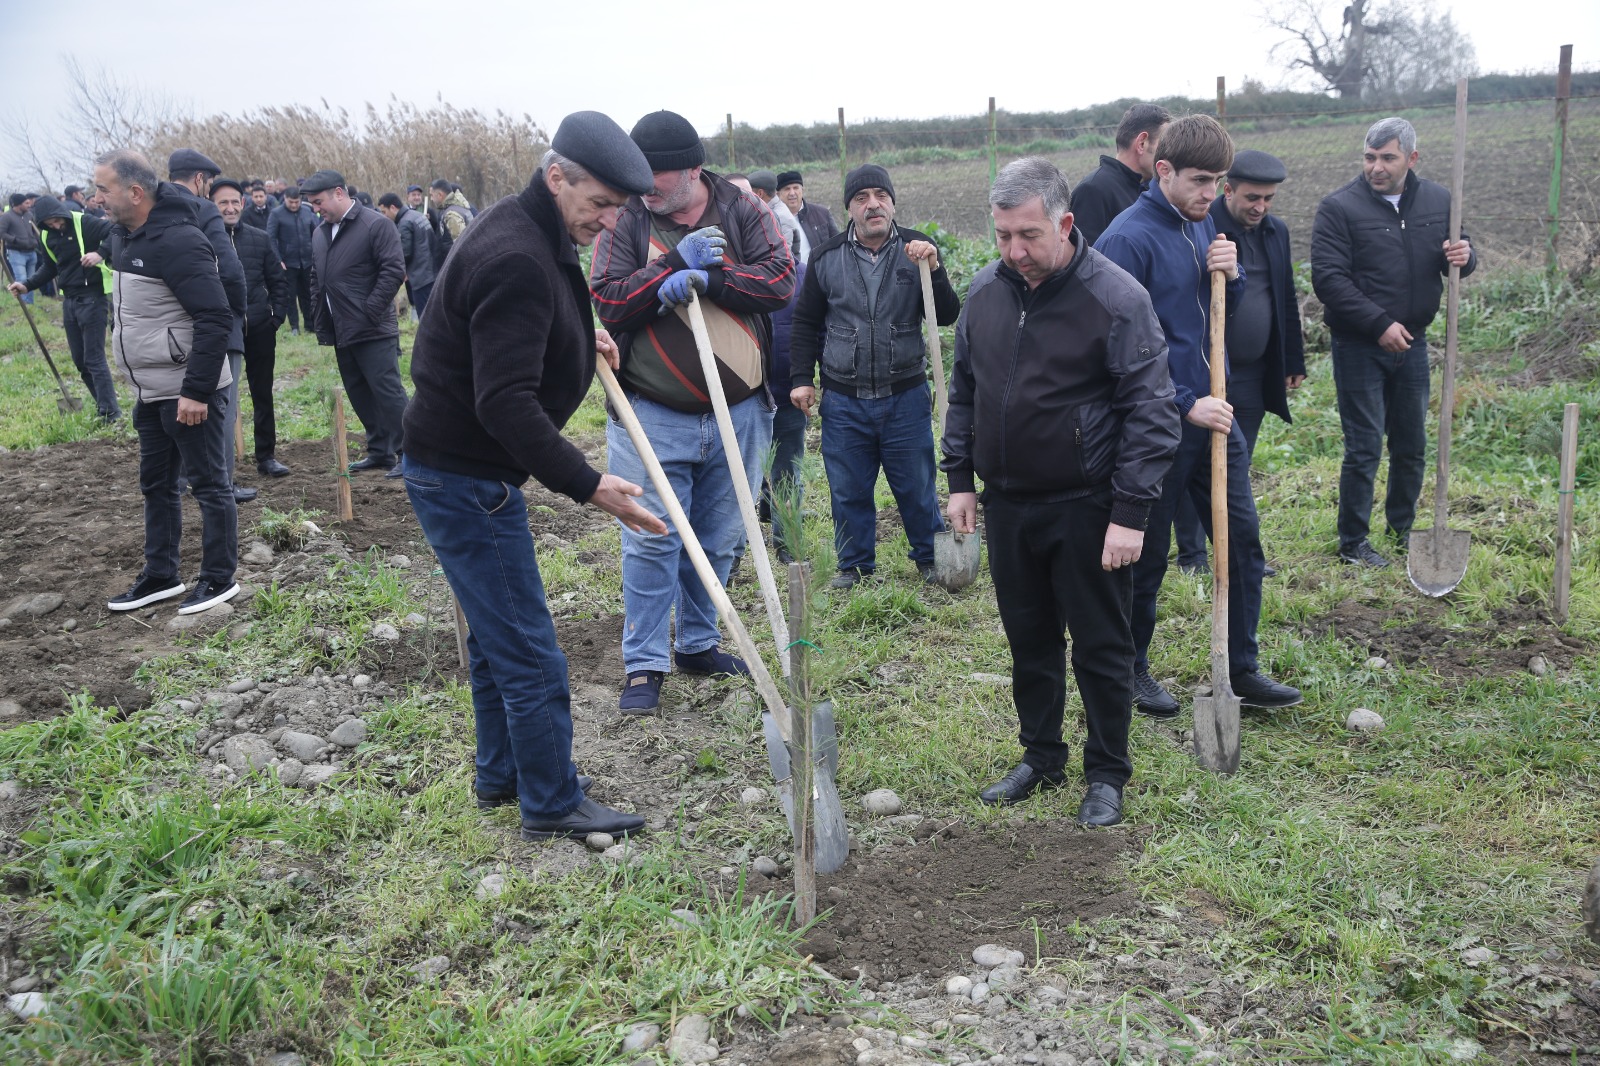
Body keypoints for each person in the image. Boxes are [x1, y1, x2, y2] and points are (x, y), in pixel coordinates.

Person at [404, 111, 666, 840]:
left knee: (495, 639)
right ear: (557, 177)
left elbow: (539, 313)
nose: (608, 223)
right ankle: (551, 801)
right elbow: (505, 402)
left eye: (618, 208)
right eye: (599, 205)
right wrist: (590, 485)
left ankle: (501, 776)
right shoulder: (516, 254)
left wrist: (583, 336)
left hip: (453, 467)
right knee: (529, 650)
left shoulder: (530, 229)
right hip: (465, 479)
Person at [944, 157, 1179, 824]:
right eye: (1002, 236)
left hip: (1090, 504)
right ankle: (1041, 756)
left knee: (1103, 645)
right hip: (1009, 503)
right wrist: (960, 478)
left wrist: (1129, 513)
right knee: (1030, 640)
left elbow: (1152, 412)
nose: (1014, 251)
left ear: (1065, 223)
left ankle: (1106, 774)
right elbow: (965, 390)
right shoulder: (987, 293)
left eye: (1028, 235)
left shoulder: (1117, 300)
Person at [1095, 114, 1302, 719]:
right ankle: (1131, 668)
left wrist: (1231, 277)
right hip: (1154, 428)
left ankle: (1242, 668)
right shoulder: (1126, 241)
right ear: (1162, 170)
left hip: (1217, 417)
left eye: (1218, 182)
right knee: (1148, 555)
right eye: (1200, 180)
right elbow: (1115, 352)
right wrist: (1185, 403)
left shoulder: (1202, 221)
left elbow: (1212, 315)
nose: (1212, 193)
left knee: (1241, 543)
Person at [589, 109, 794, 713]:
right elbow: (608, 299)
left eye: (661, 176)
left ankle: (698, 643)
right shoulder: (625, 217)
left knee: (722, 535)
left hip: (740, 409)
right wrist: (667, 274)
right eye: (641, 175)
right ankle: (645, 663)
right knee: (652, 537)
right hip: (652, 409)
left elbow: (779, 283)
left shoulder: (743, 209)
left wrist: (717, 277)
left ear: (695, 170)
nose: (649, 186)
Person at [1312, 117, 1475, 568]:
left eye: (1387, 157)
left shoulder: (1440, 200)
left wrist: (1467, 255)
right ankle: (1354, 543)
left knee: (1411, 444)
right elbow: (1328, 279)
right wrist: (1379, 323)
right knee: (1363, 447)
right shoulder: (1339, 208)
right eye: (1370, 157)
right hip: (1360, 344)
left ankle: (1403, 530)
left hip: (1414, 344)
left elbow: (1460, 252)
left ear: (1411, 158)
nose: (1376, 167)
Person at [789, 164, 960, 589]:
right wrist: (802, 377)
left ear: (892, 202)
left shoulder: (917, 250)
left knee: (918, 485)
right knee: (847, 488)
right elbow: (806, 322)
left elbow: (948, 313)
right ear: (849, 207)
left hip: (905, 394)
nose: (873, 205)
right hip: (844, 399)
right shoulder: (827, 258)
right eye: (861, 198)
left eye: (880, 196)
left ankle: (929, 557)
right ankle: (854, 565)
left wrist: (934, 269)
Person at [95, 149, 239, 616]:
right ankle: (162, 575)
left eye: (103, 189)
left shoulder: (177, 241)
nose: (96, 198)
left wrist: (196, 391)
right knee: (156, 485)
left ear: (135, 192)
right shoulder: (125, 236)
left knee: (209, 485)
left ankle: (218, 578)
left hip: (188, 391)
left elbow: (215, 316)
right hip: (150, 390)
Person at [302, 169, 410, 478]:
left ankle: (410, 451)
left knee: (386, 391)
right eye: (312, 203)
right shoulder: (321, 232)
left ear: (339, 193)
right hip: (341, 329)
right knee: (359, 391)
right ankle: (380, 451)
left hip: (373, 328)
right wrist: (319, 314)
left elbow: (393, 271)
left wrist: (369, 310)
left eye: (319, 201)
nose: (316, 208)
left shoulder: (375, 225)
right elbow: (316, 277)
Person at [169, 148, 253, 501]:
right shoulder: (202, 209)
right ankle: (222, 486)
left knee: (175, 404)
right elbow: (231, 272)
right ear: (200, 180)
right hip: (214, 324)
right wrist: (238, 313)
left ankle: (182, 480)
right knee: (222, 408)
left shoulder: (151, 209)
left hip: (167, 331)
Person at [7, 195, 121, 420]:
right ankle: (102, 406)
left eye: (57, 221)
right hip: (69, 301)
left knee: (94, 358)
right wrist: (26, 285)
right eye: (49, 224)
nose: (55, 226)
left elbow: (116, 231)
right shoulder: (47, 235)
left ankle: (111, 413)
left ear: (63, 214)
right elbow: (50, 268)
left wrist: (100, 253)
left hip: (93, 297)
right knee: (80, 361)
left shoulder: (84, 222)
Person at [212, 179, 290, 479]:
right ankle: (220, 459)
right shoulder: (204, 240)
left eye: (235, 202)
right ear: (212, 206)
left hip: (259, 327)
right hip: (221, 329)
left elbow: (278, 281)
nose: (230, 208)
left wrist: (276, 317)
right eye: (223, 203)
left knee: (262, 392)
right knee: (221, 396)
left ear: (242, 204)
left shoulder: (259, 238)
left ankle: (266, 455)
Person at [1072, 105, 1170, 246]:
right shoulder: (1093, 190)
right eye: (1164, 145)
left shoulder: (1154, 187)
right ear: (1142, 143)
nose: (1168, 154)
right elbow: (1086, 261)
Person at [377, 192, 437, 316]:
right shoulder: (417, 216)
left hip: (420, 277)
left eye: (384, 212)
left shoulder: (404, 223)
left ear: (393, 208)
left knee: (426, 317)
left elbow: (405, 253)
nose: (384, 216)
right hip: (433, 272)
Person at [268, 185, 317, 333]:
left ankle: (310, 324)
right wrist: (278, 259)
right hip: (287, 263)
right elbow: (270, 237)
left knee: (308, 294)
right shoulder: (276, 214)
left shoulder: (308, 212)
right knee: (290, 296)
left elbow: (316, 234)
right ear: (285, 199)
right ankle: (294, 326)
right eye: (291, 202)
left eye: (297, 202)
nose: (294, 205)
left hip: (307, 262)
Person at [776, 170, 839, 251]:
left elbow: (838, 245)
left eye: (795, 188)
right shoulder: (772, 220)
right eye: (787, 189)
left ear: (802, 190)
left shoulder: (822, 214)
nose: (792, 193)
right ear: (778, 194)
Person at [2, 193, 41, 304]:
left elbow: (34, 230)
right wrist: (15, 240)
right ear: (18, 204)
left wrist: (36, 240)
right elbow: (2, 233)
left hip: (31, 251)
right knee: (21, 279)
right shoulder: (7, 216)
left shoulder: (29, 215)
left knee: (31, 280)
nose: (29, 205)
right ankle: (25, 304)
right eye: (26, 203)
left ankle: (30, 303)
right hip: (16, 253)